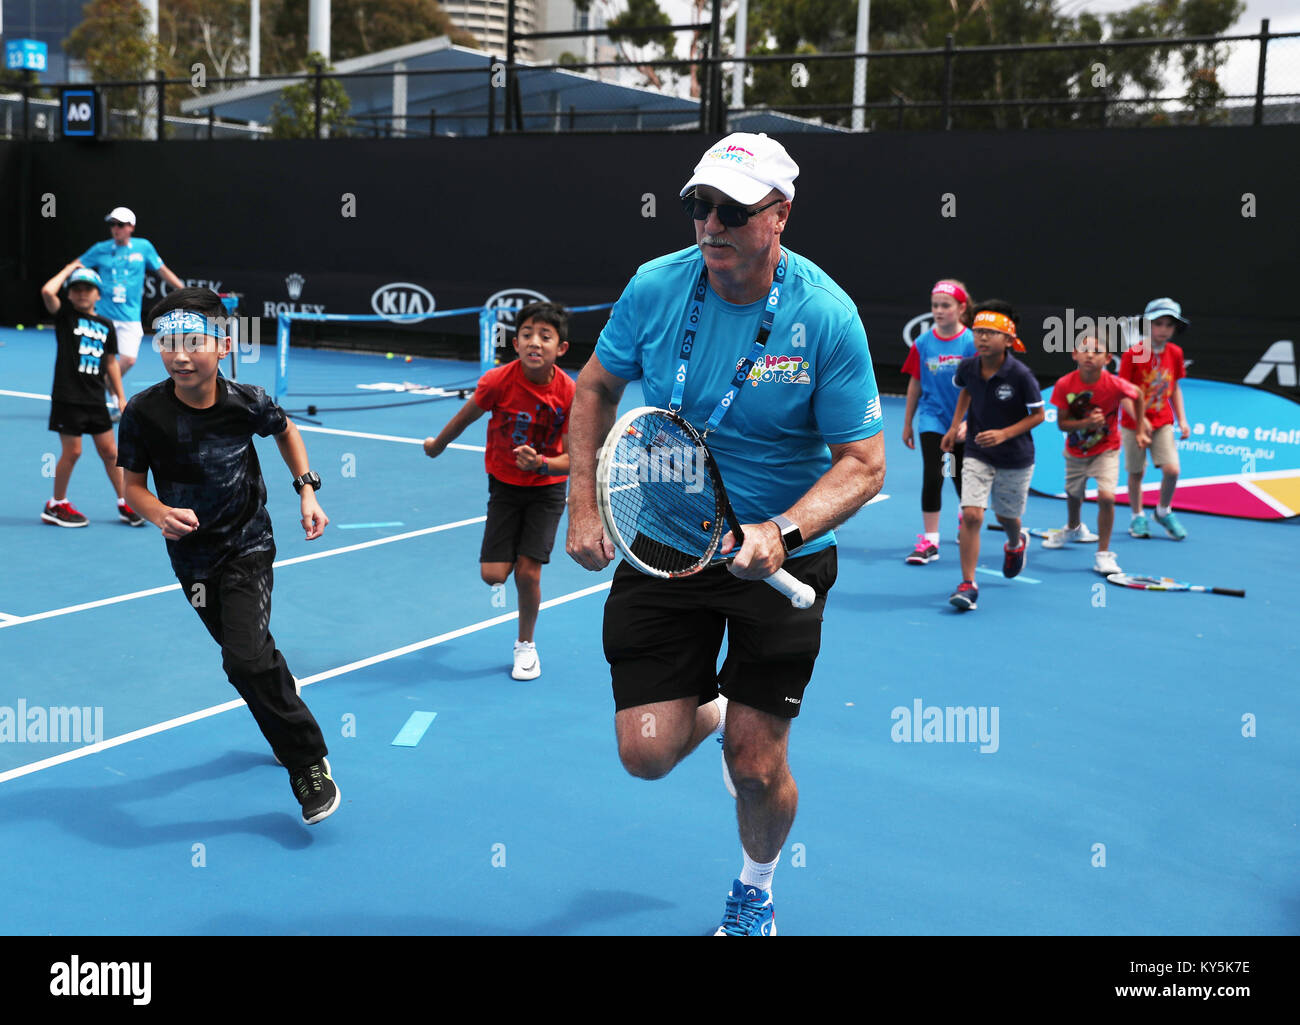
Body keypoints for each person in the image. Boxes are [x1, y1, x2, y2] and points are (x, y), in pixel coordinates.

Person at [565, 132, 886, 935]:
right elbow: (596, 385)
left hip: (781, 557)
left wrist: (782, 527)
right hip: (669, 534)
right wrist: (580, 503)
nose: (711, 224)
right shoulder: (655, 286)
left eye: (733, 212)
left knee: (756, 762)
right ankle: (709, 709)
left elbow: (864, 464)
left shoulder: (826, 316)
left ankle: (755, 890)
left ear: (780, 215)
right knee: (643, 752)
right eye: (700, 205)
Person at [116, 288, 340, 825]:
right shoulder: (144, 412)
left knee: (243, 659)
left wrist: (306, 489)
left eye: (193, 342)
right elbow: (131, 486)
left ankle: (308, 763)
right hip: (191, 561)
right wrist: (156, 512)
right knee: (252, 658)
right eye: (168, 342)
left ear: (221, 345)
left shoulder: (247, 401)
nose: (180, 354)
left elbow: (286, 431)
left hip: (248, 545)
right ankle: (280, 692)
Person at [422, 302, 574, 681]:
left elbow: (574, 460)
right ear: (516, 342)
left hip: (547, 488)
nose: (534, 343)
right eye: (526, 335)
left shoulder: (570, 392)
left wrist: (541, 463)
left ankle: (526, 646)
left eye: (544, 336)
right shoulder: (497, 381)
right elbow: (464, 418)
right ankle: (508, 557)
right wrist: (437, 445)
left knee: (528, 572)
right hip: (504, 485)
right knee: (493, 576)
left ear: (561, 348)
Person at [942, 300, 1045, 611]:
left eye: (990, 333)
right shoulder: (968, 367)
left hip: (1016, 457)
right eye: (978, 332)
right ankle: (968, 582)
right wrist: (955, 424)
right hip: (976, 451)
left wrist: (1004, 433)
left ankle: (1015, 543)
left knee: (1006, 517)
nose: (982, 338)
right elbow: (966, 390)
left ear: (1009, 341)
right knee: (972, 514)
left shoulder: (1021, 375)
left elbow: (1038, 415)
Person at [38, 261, 145, 528]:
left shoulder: (105, 325)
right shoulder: (65, 317)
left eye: (88, 289)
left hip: (96, 398)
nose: (82, 293)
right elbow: (47, 292)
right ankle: (56, 504)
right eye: (76, 289)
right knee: (73, 452)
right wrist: (67, 270)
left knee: (110, 452)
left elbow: (111, 362)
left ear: (98, 294)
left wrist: (119, 397)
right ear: (70, 293)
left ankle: (125, 502)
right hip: (68, 398)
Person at [1045, 334, 1146, 575]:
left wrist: (1140, 429)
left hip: (1107, 448)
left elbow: (1139, 395)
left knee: (1107, 497)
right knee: (1073, 495)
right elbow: (1062, 424)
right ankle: (1073, 528)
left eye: (1097, 351)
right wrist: (1087, 422)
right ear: (1074, 354)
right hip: (1076, 450)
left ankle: (1103, 553)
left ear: (1108, 359)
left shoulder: (1114, 384)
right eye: (1085, 349)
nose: (1090, 354)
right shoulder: (1064, 385)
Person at [77, 206, 186, 416]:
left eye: (120, 225)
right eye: (112, 225)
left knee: (128, 360)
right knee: (97, 360)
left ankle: (97, 387)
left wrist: (184, 291)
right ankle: (118, 403)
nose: (115, 229)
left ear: (131, 227)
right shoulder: (100, 249)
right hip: (102, 315)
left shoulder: (143, 247)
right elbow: (78, 265)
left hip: (130, 317)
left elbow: (162, 271)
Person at [901, 279, 975, 564]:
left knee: (959, 475)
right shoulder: (922, 343)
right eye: (935, 306)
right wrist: (908, 423)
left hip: (964, 422)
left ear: (961, 308)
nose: (939, 311)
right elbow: (915, 383)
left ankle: (964, 518)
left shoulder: (970, 342)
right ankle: (929, 541)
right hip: (931, 418)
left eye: (946, 305)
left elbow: (979, 386)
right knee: (933, 474)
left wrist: (971, 422)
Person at [1119, 297, 1190, 540]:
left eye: (1168, 325)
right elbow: (1124, 394)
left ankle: (1162, 511)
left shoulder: (1175, 353)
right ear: (1147, 326)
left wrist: (1183, 419)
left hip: (1162, 422)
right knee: (1137, 473)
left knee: (1172, 470)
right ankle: (1137, 516)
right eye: (1157, 323)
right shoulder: (1134, 354)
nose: (1163, 329)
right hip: (1133, 424)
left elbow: (1175, 388)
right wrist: (1140, 420)